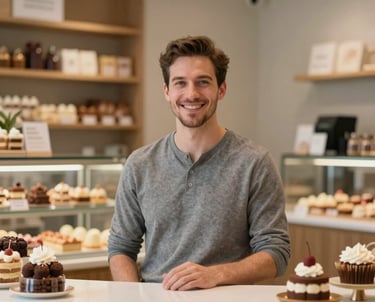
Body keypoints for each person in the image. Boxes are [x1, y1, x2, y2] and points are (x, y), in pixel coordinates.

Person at [108, 35, 290, 291]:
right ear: (167, 91)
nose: (191, 94)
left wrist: (215, 274)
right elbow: (120, 248)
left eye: (203, 82)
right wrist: (132, 297)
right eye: (180, 83)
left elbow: (276, 253)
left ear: (221, 89)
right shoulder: (139, 164)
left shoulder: (255, 162)